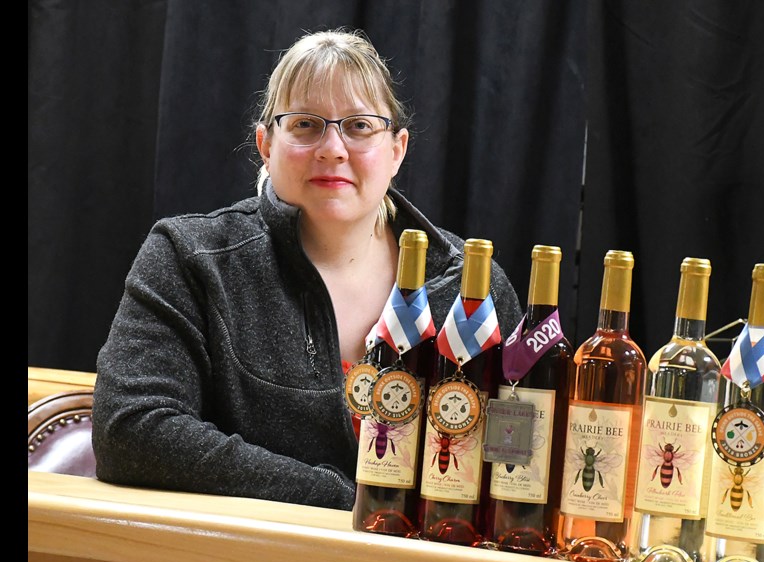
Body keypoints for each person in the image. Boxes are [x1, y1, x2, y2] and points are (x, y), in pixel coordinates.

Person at [91, 29, 523, 511]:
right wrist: (342, 501)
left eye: (359, 126)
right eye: (304, 125)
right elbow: (129, 430)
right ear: (265, 145)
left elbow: (517, 456)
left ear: (397, 150)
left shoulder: (472, 285)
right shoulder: (188, 256)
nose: (333, 148)